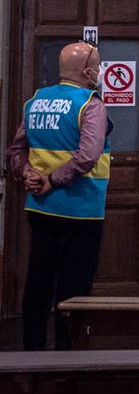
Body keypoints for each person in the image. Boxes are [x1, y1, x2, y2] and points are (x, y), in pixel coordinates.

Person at [5, 41, 109, 349]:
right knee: (73, 290)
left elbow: (16, 150)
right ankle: (68, 355)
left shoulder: (35, 101)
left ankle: (32, 350)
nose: (101, 71)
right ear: (88, 70)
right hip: (82, 209)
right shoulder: (90, 104)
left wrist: (27, 174)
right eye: (99, 66)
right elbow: (88, 155)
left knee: (38, 282)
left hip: (40, 208)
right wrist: (52, 179)